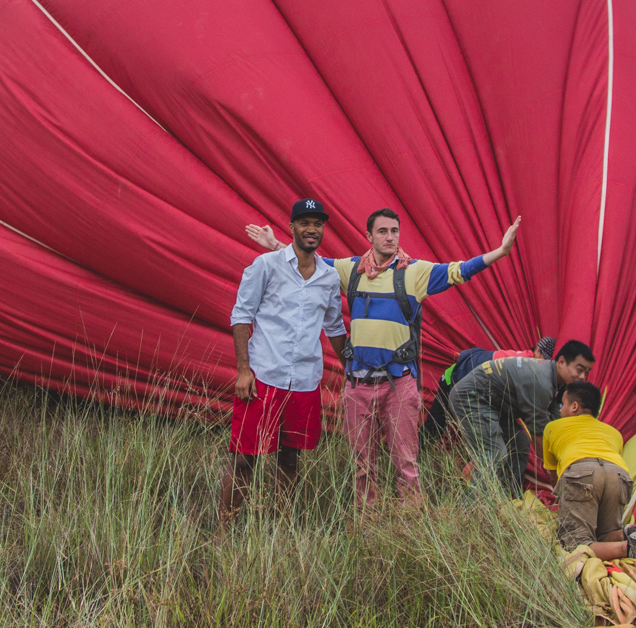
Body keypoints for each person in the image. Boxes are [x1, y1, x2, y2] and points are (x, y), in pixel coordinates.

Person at [247, 209, 521, 506]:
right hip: (358, 384)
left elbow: (460, 270)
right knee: (362, 465)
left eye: (394, 231)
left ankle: (410, 522)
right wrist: (275, 246)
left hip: (399, 383)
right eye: (382, 231)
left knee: (406, 462)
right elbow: (312, 263)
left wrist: (501, 252)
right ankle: (368, 525)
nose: (390, 237)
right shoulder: (350, 269)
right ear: (369, 236)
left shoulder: (415, 272)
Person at [223, 199, 346, 528]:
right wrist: (244, 370)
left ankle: (278, 527)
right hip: (264, 375)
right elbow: (241, 317)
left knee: (290, 458)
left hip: (305, 381)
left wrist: (351, 369)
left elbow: (334, 327)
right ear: (291, 227)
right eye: (304, 223)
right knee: (245, 458)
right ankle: (224, 529)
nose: (311, 229)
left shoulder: (329, 277)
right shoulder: (266, 265)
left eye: (317, 224)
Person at [447, 340, 596, 497]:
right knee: (494, 454)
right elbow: (539, 435)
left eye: (587, 372)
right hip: (471, 399)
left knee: (520, 443)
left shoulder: (556, 381)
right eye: (579, 370)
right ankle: (473, 508)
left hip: (495, 406)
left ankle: (509, 499)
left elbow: (553, 423)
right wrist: (551, 472)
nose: (582, 377)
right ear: (562, 362)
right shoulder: (541, 381)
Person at [542, 381, 636, 561]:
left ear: (574, 407)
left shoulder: (552, 427)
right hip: (618, 474)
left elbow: (553, 474)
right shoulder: (614, 433)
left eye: (562, 405)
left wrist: (565, 498)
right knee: (604, 534)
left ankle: (626, 548)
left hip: (581, 471)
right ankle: (624, 534)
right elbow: (610, 464)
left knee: (575, 545)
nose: (560, 410)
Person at [427, 336, 556, 439]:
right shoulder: (525, 365)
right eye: (546, 359)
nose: (546, 366)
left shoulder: (531, 367)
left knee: (514, 441)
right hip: (455, 378)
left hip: (478, 392)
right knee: (435, 428)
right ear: (537, 350)